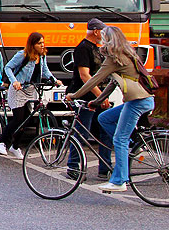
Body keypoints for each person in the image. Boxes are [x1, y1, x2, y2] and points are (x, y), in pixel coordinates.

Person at [66, 26, 155, 193]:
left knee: (119, 139)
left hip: (138, 101)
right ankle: (131, 144)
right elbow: (113, 83)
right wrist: (97, 101)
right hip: (143, 99)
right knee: (104, 118)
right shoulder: (127, 54)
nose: (101, 40)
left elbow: (94, 80)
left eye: (104, 37)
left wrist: (75, 95)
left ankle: (119, 180)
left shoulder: (113, 58)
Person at [0, 32, 61, 159]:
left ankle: (15, 146)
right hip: (18, 90)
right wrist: (14, 81)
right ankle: (1, 143)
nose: (42, 45)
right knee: (18, 118)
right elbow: (8, 67)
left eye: (43, 42)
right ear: (32, 44)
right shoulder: (22, 55)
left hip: (30, 90)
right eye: (39, 43)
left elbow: (45, 71)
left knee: (26, 120)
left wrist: (54, 80)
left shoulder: (42, 56)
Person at [66, 19, 113, 181]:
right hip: (85, 96)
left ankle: (105, 167)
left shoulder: (97, 48)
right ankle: (73, 165)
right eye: (103, 31)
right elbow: (85, 75)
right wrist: (100, 95)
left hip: (98, 95)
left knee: (105, 129)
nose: (104, 35)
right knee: (81, 131)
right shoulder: (83, 48)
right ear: (96, 31)